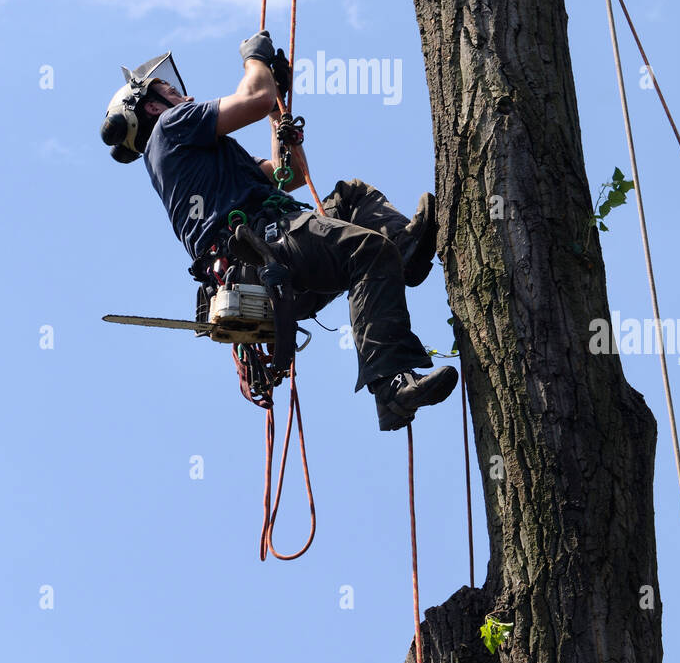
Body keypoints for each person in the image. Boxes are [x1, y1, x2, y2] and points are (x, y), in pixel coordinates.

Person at [100, 32, 457, 430]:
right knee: (368, 251)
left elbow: (287, 177)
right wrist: (256, 60)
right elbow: (254, 98)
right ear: (152, 105)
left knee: (351, 197)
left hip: (273, 261)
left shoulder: (201, 157)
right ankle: (391, 386)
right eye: (168, 89)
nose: (181, 94)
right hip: (264, 244)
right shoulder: (172, 124)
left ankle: (404, 254)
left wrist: (277, 110)